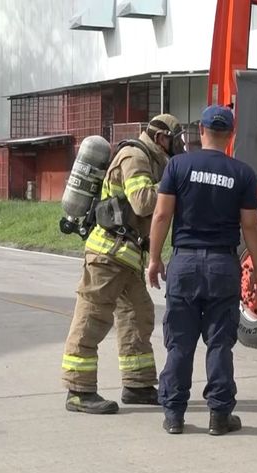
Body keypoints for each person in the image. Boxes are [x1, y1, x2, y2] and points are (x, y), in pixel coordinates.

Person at [146, 105, 257, 435]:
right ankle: (219, 415)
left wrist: (154, 259)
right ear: (232, 134)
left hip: (183, 264)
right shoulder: (242, 173)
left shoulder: (178, 165)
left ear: (200, 131)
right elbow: (252, 225)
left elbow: (160, 216)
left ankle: (174, 415)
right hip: (222, 266)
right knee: (219, 343)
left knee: (180, 343)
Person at [61, 113, 185, 414]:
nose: (179, 145)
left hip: (126, 258)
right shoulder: (135, 156)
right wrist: (176, 191)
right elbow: (143, 201)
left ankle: (137, 384)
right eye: (175, 139)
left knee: (138, 316)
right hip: (107, 256)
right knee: (91, 318)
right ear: (160, 138)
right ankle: (78, 391)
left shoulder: (155, 160)